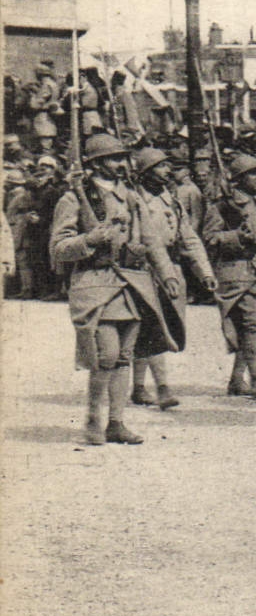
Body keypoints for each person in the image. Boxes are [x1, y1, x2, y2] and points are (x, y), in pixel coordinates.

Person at [49, 134, 183, 446]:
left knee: (124, 355)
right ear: (95, 163)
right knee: (105, 355)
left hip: (133, 284)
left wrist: (167, 274)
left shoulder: (131, 196)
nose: (120, 164)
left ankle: (116, 422)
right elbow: (58, 248)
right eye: (112, 159)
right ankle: (94, 419)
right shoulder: (75, 198)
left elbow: (151, 240)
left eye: (122, 158)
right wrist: (89, 241)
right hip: (96, 284)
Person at [128, 147, 216, 410]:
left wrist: (205, 272)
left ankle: (140, 387)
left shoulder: (173, 201)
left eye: (169, 166)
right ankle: (160, 387)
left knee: (161, 325)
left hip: (171, 268)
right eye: (161, 166)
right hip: (142, 268)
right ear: (146, 171)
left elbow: (189, 238)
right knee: (150, 326)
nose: (168, 171)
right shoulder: (133, 199)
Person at [205, 154, 256, 399]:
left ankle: (237, 380)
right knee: (251, 322)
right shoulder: (222, 206)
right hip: (234, 272)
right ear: (238, 179)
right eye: (252, 173)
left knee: (250, 327)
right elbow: (210, 238)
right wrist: (237, 236)